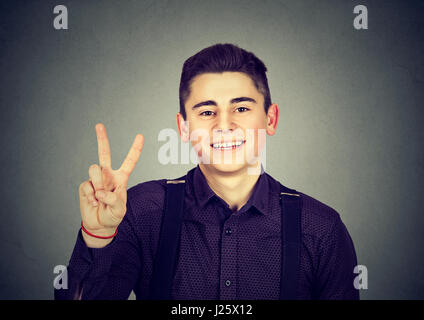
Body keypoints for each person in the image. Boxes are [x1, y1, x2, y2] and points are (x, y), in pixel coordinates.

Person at [55, 43, 359, 300]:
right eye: (206, 112)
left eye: (241, 108)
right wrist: (98, 236)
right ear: (184, 127)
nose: (224, 125)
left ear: (270, 118)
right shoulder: (140, 210)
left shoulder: (321, 228)